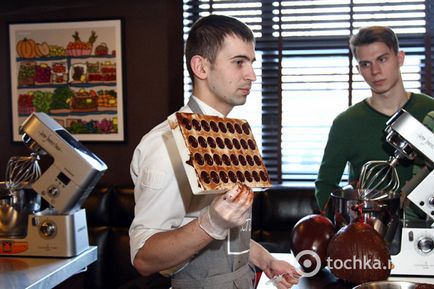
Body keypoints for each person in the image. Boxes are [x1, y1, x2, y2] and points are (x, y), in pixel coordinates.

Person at [129, 15, 300, 289]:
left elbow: (226, 230)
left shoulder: (230, 137)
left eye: (251, 63)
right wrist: (211, 222)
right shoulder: (166, 145)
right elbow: (144, 258)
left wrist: (265, 260)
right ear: (201, 66)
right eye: (238, 62)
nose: (252, 75)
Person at [315, 26, 434, 220]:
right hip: (369, 234)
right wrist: (347, 227)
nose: (375, 71)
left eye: (382, 59)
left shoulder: (431, 112)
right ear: (358, 69)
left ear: (400, 58)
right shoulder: (345, 124)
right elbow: (325, 185)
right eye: (365, 64)